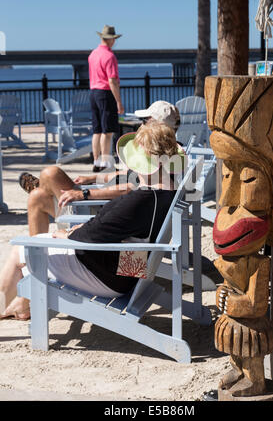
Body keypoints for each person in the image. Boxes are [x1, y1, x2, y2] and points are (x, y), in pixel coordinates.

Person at [0, 121, 185, 320]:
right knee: (38, 230)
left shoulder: (141, 201)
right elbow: (105, 226)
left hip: (110, 277)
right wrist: (84, 228)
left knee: (20, 251)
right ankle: (20, 303)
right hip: (127, 267)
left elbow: (89, 235)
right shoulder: (167, 190)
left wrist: (68, 234)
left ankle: (6, 306)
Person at [18, 101, 181, 236]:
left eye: (145, 121)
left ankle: (48, 192)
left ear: (158, 125)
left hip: (105, 213)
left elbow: (127, 189)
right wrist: (91, 178)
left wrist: (84, 193)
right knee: (37, 196)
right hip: (111, 207)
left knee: (50, 174)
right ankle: (35, 258)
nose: (141, 124)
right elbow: (131, 176)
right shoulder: (171, 153)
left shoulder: (159, 157)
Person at [88, 24, 124, 172]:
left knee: (97, 130)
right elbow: (112, 80)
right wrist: (119, 102)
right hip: (105, 93)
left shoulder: (93, 54)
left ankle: (96, 161)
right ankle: (106, 163)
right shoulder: (109, 56)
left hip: (94, 92)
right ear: (111, 40)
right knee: (107, 131)